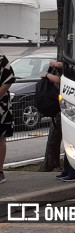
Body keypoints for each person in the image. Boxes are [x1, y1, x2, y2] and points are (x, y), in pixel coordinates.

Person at [44, 59, 75, 182]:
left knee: (73, 138)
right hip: (70, 105)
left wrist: (48, 75)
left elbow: (61, 80)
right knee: (68, 138)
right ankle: (68, 169)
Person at [0, 52, 16, 184]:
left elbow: (8, 80)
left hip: (1, 106)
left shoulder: (1, 59)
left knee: (0, 138)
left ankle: (0, 172)